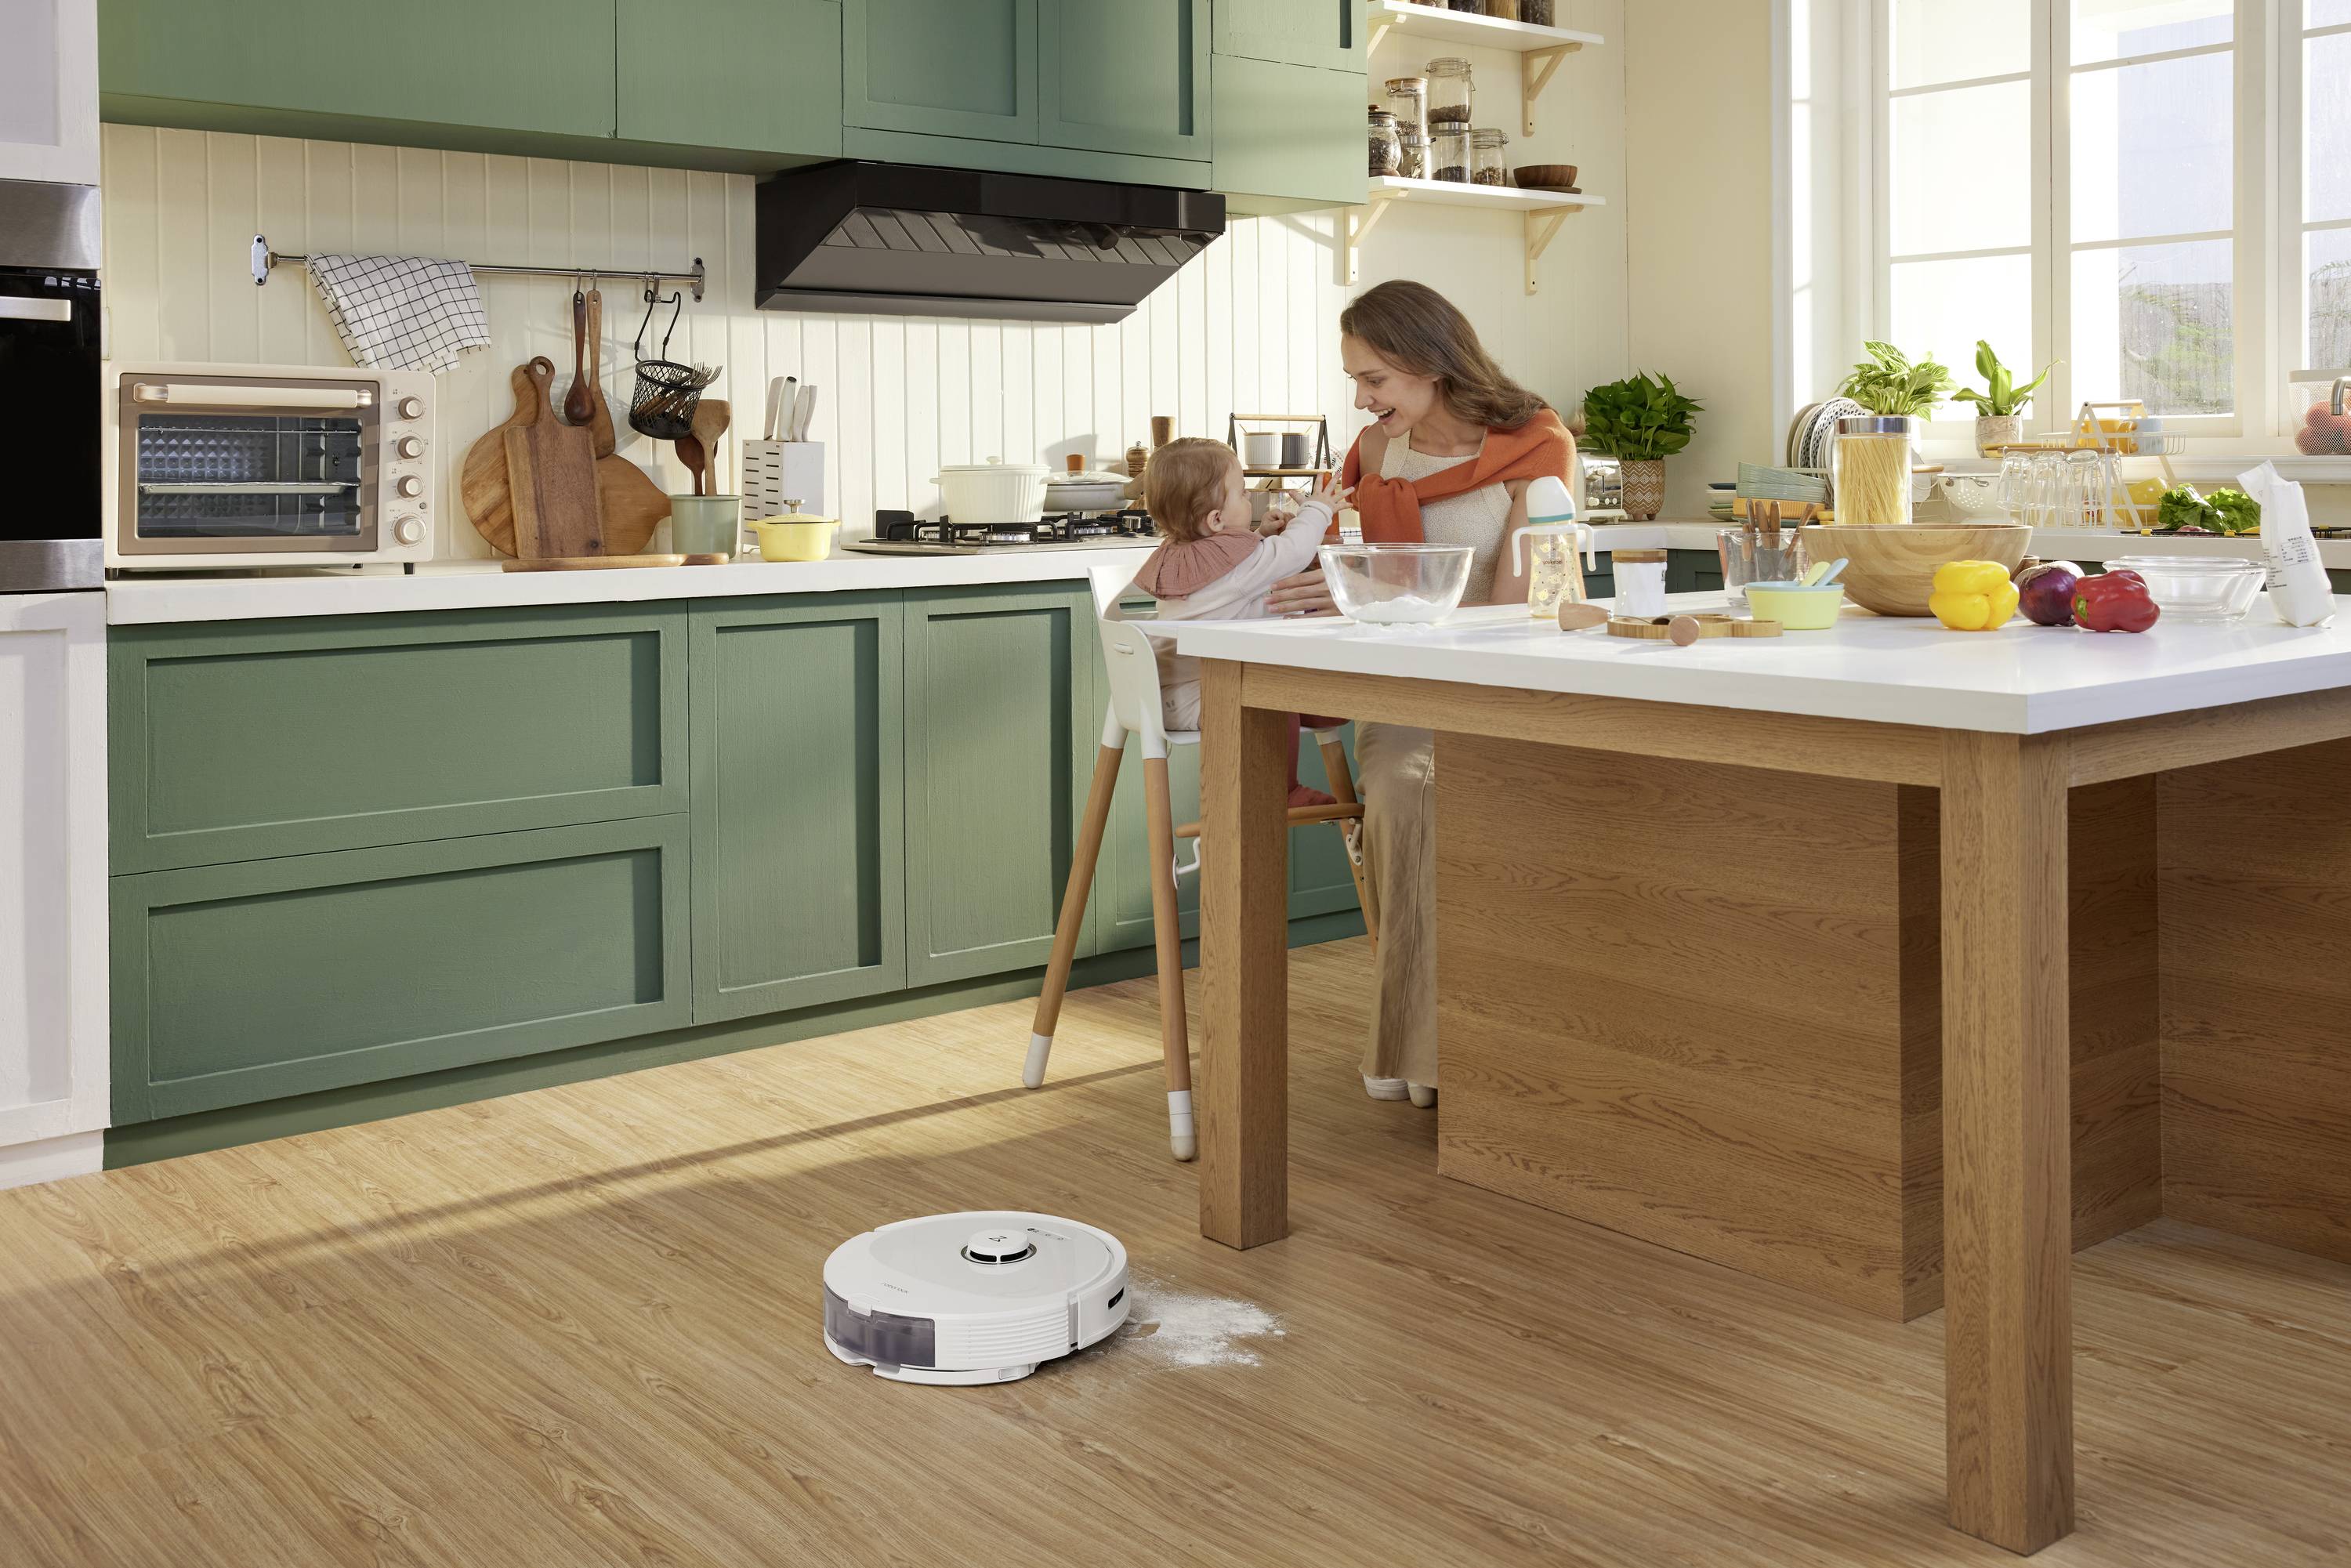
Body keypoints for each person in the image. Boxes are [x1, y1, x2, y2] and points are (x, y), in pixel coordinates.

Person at [1299, 280, 1576, 1110]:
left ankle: (1430, 1045)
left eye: (1374, 379)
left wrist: (1387, 595)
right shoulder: (1377, 454)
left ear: (1429, 364)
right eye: (1356, 380)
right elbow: (1354, 579)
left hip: (1507, 685)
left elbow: (1526, 611)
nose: (1361, 399)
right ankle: (1424, 1045)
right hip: (1409, 686)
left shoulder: (1535, 445)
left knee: (1430, 788)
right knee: (1397, 785)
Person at [1129, 437, 1354, 806]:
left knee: (1276, 685)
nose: (1249, 496)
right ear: (1216, 519)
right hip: (1209, 694)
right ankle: (1283, 789)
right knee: (1269, 691)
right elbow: (1294, 552)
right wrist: (1318, 508)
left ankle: (1303, 708)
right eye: (1242, 493)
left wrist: (1260, 535)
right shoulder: (1240, 567)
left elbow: (1232, 579)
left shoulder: (1179, 554)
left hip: (1168, 692)